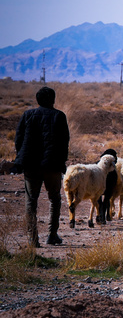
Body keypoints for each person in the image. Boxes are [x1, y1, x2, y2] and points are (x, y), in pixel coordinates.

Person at [13, 86, 71, 247]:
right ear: (53, 99)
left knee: (31, 201)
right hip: (52, 166)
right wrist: (62, 162)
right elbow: (64, 142)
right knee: (54, 199)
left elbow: (18, 139)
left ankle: (33, 239)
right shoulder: (58, 116)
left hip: (31, 166)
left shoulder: (28, 115)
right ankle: (52, 235)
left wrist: (21, 158)